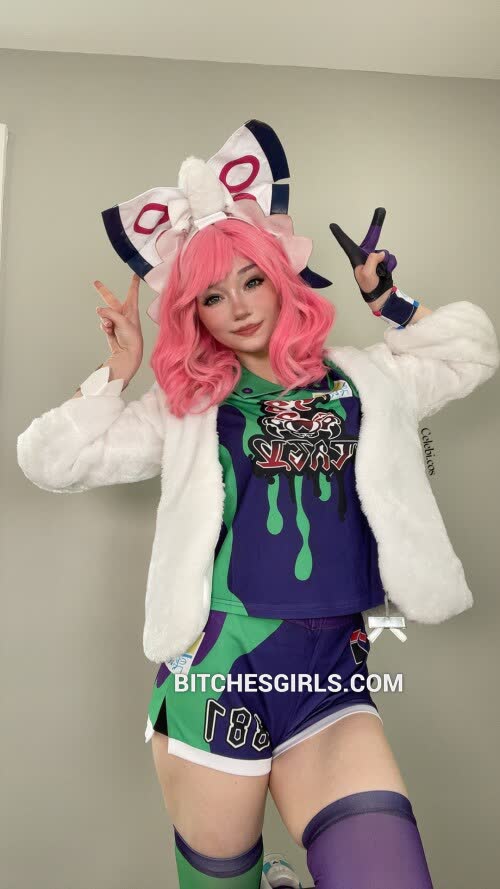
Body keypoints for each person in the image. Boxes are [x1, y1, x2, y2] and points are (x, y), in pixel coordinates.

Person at [17, 120, 500, 889]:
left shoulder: (366, 378)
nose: (238, 307)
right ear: (193, 312)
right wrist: (118, 371)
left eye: (250, 280)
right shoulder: (188, 405)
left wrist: (392, 302)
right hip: (216, 674)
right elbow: (51, 458)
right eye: (212, 295)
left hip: (331, 676)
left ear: (281, 274)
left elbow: (472, 351)